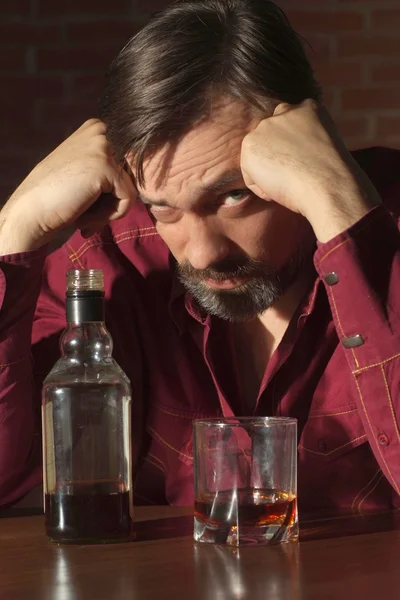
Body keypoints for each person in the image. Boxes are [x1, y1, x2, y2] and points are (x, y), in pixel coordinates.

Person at [1, 0, 400, 513]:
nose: (204, 253)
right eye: (163, 207)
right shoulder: (114, 260)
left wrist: (340, 205)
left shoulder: (381, 225)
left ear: (306, 148)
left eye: (233, 195)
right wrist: (15, 230)